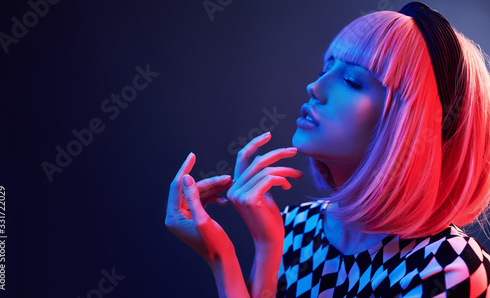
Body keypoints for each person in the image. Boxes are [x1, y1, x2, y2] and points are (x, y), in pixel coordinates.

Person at [165, 2, 490, 297]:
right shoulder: (292, 228)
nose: (315, 88)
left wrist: (223, 258)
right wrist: (252, 251)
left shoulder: (448, 265)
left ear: (410, 123)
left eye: (351, 81)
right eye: (325, 70)